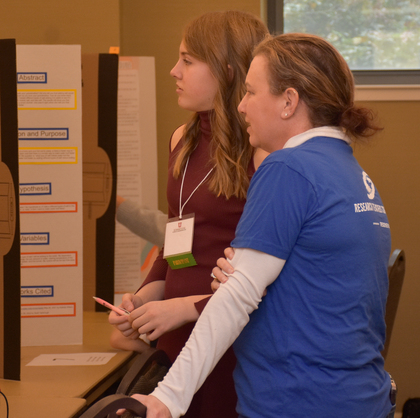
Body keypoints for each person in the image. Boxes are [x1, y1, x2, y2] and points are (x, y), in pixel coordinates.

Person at [126, 33, 395, 418]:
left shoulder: (288, 168)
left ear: (288, 102)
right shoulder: (352, 173)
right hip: (359, 397)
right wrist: (250, 277)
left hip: (298, 402)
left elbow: (236, 298)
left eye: (251, 92)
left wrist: (167, 398)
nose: (241, 105)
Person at [109, 10, 269, 418]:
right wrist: (144, 298)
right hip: (174, 336)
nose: (173, 71)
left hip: (229, 340)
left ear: (226, 71)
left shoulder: (263, 154)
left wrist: (182, 307)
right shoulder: (182, 140)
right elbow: (177, 243)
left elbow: (266, 280)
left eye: (187, 60)